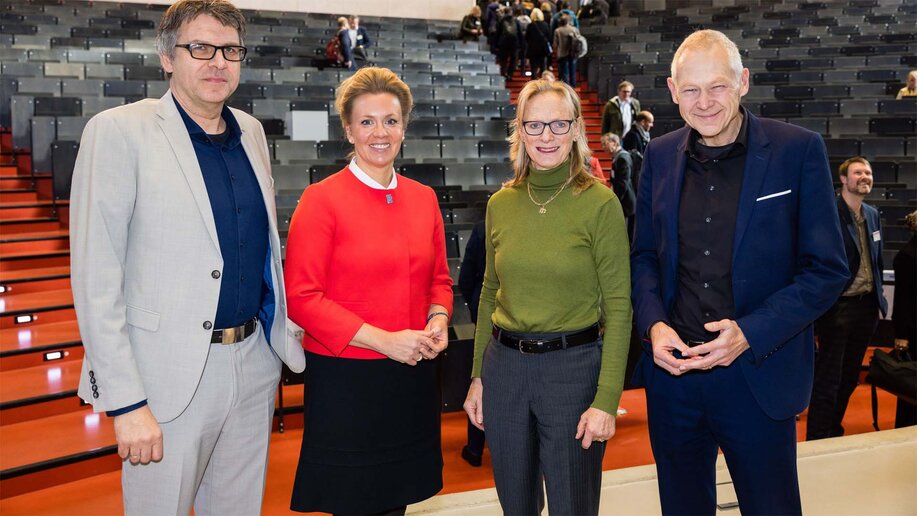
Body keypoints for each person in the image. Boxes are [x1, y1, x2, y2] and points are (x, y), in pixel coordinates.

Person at [68, 1, 306, 513]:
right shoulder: (117, 132)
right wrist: (127, 402)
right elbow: (96, 279)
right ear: (167, 57)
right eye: (200, 47)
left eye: (230, 50)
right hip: (164, 377)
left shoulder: (252, 132)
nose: (217, 61)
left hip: (252, 362)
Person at [631, 30, 849, 515]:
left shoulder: (798, 150)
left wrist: (748, 333)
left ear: (743, 81)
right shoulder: (660, 155)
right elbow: (644, 255)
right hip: (676, 376)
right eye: (691, 89)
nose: (704, 102)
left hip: (757, 373)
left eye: (718, 87)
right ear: (671, 90)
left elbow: (827, 270)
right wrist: (654, 325)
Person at [285, 66, 453, 515]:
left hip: (411, 373)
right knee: (355, 504)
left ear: (404, 127)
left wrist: (438, 318)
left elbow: (440, 278)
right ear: (348, 129)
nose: (380, 132)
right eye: (367, 121)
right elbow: (302, 297)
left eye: (391, 120)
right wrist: (384, 340)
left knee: (395, 503)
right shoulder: (320, 200)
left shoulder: (423, 198)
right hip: (348, 382)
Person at [463, 78, 631, 515]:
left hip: (572, 371)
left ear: (576, 129)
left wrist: (606, 399)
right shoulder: (501, 203)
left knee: (572, 506)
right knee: (515, 506)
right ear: (519, 130)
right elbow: (487, 294)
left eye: (559, 124)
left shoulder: (600, 204)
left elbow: (618, 307)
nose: (547, 137)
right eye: (534, 126)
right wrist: (478, 376)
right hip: (505, 372)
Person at [807, 157, 888, 441]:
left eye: (868, 172)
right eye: (858, 172)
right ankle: (818, 436)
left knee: (851, 375)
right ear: (843, 179)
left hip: (867, 306)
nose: (864, 176)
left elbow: (876, 260)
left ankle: (834, 429)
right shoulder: (828, 211)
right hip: (838, 306)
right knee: (829, 376)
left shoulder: (873, 214)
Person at [458, 220, 487, 467]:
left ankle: (475, 448)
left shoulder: (482, 227)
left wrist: (476, 307)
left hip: (486, 312)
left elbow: (466, 277)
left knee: (481, 376)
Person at [892, 210, 917, 428]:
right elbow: (902, 300)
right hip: (914, 332)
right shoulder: (907, 255)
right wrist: (901, 335)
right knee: (911, 386)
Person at [604, 133, 635, 239]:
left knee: (624, 234)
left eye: (605, 144)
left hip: (625, 203)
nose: (603, 147)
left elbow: (623, 183)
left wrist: (615, 200)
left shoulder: (622, 157)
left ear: (614, 143)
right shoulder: (617, 157)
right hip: (622, 201)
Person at [495, 6, 521, 81]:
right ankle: (510, 74)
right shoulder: (516, 20)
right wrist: (521, 44)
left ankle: (503, 74)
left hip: (503, 43)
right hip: (514, 43)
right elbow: (519, 34)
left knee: (503, 60)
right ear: (511, 12)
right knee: (513, 60)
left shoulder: (501, 20)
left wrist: (496, 44)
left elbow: (498, 33)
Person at [525, 8, 551, 80]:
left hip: (533, 50)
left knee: (533, 68)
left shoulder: (530, 26)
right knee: (543, 67)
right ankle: (543, 83)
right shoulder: (545, 25)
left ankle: (533, 84)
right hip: (543, 49)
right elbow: (549, 37)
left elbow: (526, 38)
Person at [552, 14, 578, 88]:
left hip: (562, 54)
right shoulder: (574, 29)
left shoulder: (557, 30)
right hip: (572, 53)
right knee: (572, 72)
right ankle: (573, 88)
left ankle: (564, 89)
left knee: (563, 73)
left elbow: (555, 44)